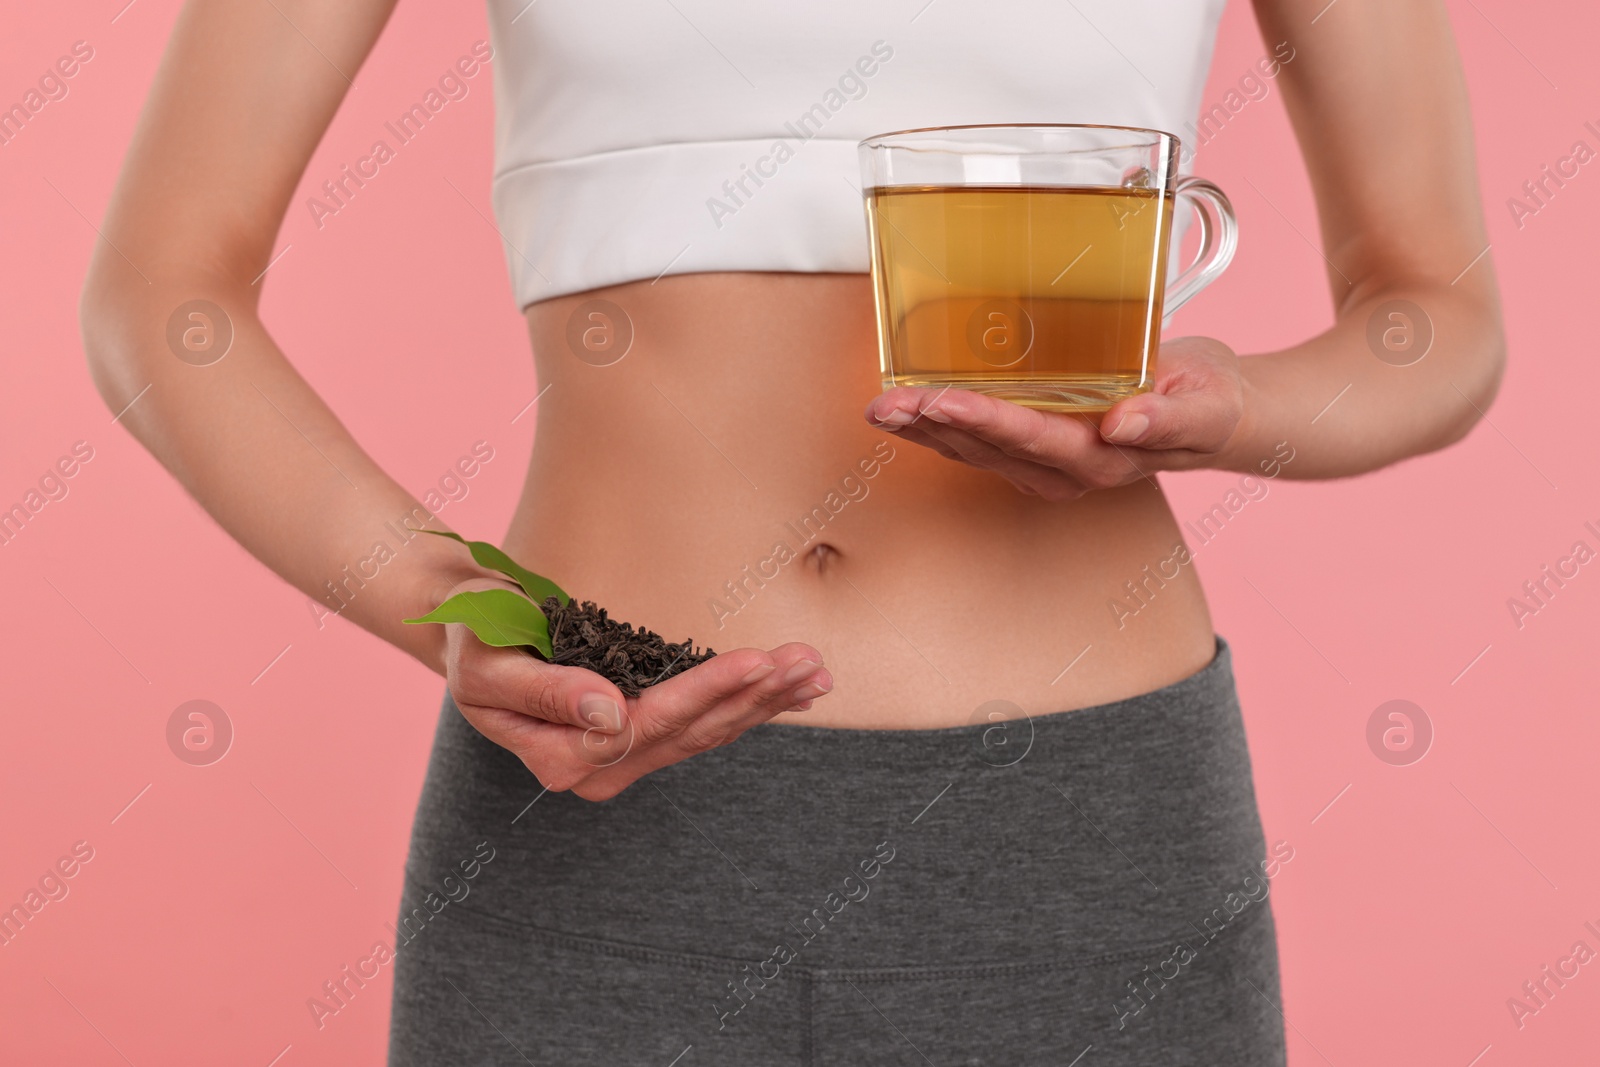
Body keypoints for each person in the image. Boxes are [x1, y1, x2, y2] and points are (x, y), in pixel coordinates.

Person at [81, 1, 1504, 1063]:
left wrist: (1237, 406)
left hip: (1079, 840)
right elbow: (163, 291)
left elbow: (1435, 314)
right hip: (598, 811)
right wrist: (446, 604)